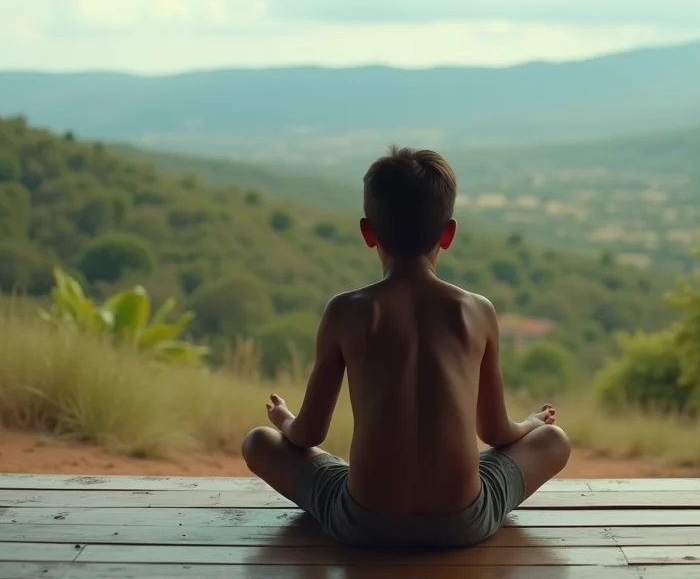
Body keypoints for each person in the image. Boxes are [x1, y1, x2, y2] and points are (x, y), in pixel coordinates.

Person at [241, 146, 571, 548]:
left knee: (258, 442)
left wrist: (283, 419)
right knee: (554, 442)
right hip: (463, 523)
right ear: (448, 233)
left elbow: (308, 435)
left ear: (368, 232)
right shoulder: (477, 311)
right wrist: (531, 424)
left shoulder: (346, 311)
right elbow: (496, 432)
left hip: (364, 522)